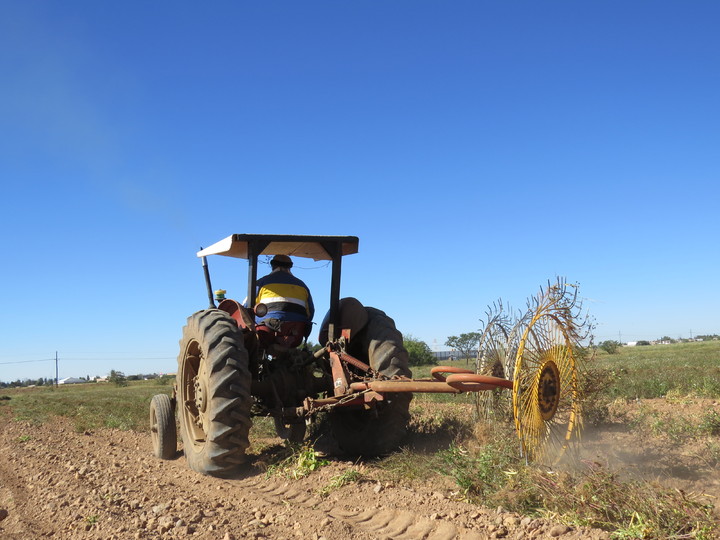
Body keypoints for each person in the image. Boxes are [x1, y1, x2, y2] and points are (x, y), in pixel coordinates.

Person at [254, 254, 314, 347]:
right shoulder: (302, 285)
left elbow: (247, 307)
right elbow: (310, 311)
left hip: (266, 332)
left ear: (273, 265)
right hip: (296, 333)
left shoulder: (261, 283)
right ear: (290, 266)